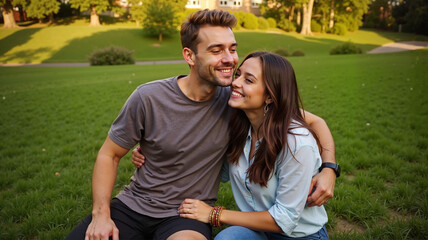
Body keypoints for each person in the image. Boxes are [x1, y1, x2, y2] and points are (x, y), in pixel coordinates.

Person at [67, 9, 336, 240]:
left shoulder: (238, 99)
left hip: (186, 213)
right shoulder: (148, 97)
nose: (230, 59)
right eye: (216, 50)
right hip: (134, 204)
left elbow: (314, 122)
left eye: (232, 49)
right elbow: (109, 153)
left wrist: (329, 169)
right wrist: (101, 215)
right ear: (190, 56)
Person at [176, 51, 331, 239]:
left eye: (248, 80)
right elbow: (211, 165)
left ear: (270, 97)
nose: (235, 82)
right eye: (237, 74)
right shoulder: (240, 125)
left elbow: (284, 219)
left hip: (299, 236)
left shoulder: (297, 143)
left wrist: (214, 214)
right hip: (257, 231)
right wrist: (157, 150)